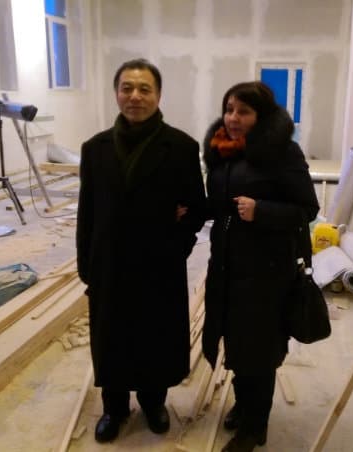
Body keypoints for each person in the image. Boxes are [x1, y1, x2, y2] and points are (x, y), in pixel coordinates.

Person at [76, 58, 206, 443]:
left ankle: (153, 403)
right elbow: (87, 212)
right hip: (110, 262)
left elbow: (195, 209)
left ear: (158, 95)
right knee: (111, 337)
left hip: (158, 263)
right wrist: (87, 264)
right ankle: (114, 408)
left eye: (144, 89)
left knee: (155, 335)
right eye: (127, 88)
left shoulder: (181, 147)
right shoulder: (95, 149)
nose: (135, 96)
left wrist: (176, 248)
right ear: (116, 94)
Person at [201, 81, 320, 451]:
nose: (233, 118)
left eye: (244, 112)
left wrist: (262, 211)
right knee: (236, 343)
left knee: (259, 349)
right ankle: (244, 405)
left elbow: (307, 209)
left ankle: (255, 427)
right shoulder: (222, 150)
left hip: (266, 271)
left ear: (262, 116)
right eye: (229, 109)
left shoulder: (284, 153)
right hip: (226, 265)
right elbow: (220, 204)